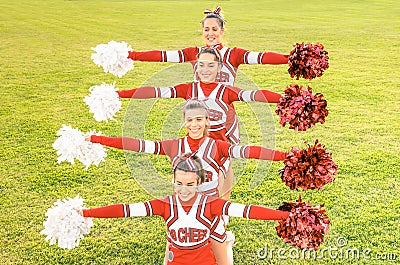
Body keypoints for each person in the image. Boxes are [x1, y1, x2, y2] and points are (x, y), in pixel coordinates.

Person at [87, 99, 288, 265]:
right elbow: (137, 145)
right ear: (184, 121)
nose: (194, 124)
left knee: (222, 259)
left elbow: (251, 152)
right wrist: (98, 139)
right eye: (190, 120)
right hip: (180, 210)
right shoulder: (173, 146)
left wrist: (287, 156)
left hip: (212, 210)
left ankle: (227, 242)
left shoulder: (217, 146)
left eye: (199, 119)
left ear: (207, 120)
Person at [116, 47, 283, 202]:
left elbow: (256, 96)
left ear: (219, 68)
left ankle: (220, 220)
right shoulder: (188, 89)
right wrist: (119, 94)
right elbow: (154, 92)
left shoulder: (226, 91)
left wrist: (285, 99)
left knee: (217, 191)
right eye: (201, 65)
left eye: (211, 65)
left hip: (219, 143)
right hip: (193, 142)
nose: (205, 69)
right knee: (190, 187)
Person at [79, 153, 290, 265]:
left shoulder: (211, 205)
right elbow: (126, 210)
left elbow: (247, 211)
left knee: (223, 248)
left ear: (200, 182)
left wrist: (285, 216)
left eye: (190, 184)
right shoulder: (164, 205)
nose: (184, 190)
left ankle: (226, 243)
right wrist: (86, 213)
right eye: (179, 183)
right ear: (172, 180)